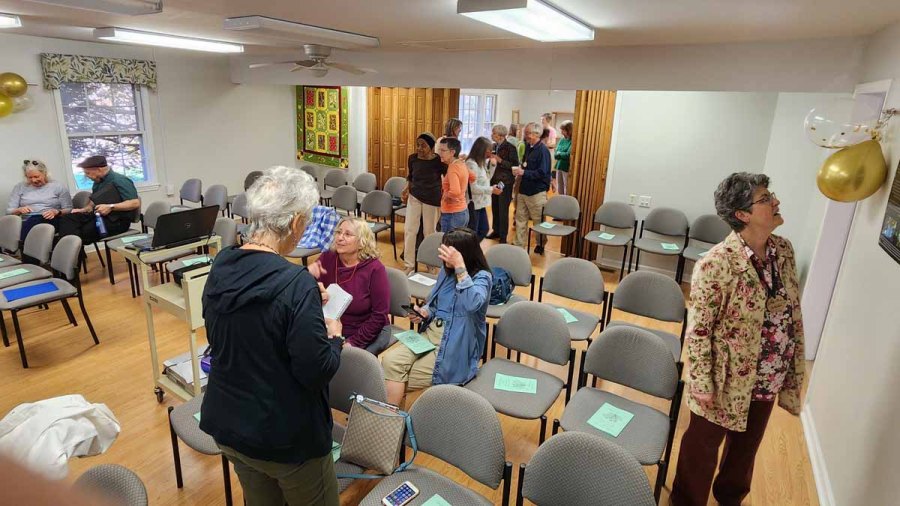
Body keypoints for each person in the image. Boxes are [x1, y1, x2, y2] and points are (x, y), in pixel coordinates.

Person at [200, 166, 343, 506]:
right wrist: (334, 338)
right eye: (306, 222)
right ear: (296, 222)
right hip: (283, 437)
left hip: (229, 424)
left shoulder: (222, 264)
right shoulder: (296, 284)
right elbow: (316, 370)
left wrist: (304, 300)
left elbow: (233, 332)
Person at [671, 172, 805, 506]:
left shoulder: (784, 251)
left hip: (768, 374)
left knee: (745, 449)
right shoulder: (716, 264)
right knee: (701, 448)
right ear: (742, 214)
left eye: (771, 195)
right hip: (724, 378)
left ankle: (730, 499)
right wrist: (701, 382)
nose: (775, 201)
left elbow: (790, 309)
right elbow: (699, 330)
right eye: (765, 199)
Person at [381, 227, 491, 406]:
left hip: (454, 344)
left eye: (448, 252)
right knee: (390, 362)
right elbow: (435, 304)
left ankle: (389, 418)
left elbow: (472, 303)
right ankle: (393, 417)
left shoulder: (482, 278)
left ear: (463, 255)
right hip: (429, 335)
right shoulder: (445, 273)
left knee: (394, 378)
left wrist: (460, 268)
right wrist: (425, 312)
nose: (442, 256)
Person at [308, 217, 390, 350]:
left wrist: (352, 342)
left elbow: (379, 316)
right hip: (330, 325)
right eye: (338, 232)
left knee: (345, 359)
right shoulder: (328, 257)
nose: (340, 238)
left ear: (362, 242)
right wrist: (313, 284)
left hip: (367, 330)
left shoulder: (375, 269)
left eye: (347, 234)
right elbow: (307, 286)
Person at [59, 156, 140, 243]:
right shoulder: (98, 181)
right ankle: (70, 249)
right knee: (68, 219)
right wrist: (84, 209)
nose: (86, 176)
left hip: (117, 221)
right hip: (99, 215)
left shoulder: (120, 180)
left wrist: (111, 207)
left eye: (88, 173)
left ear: (99, 170)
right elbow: (94, 201)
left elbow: (135, 203)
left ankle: (73, 249)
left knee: (83, 231)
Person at [403, 132, 445, 272]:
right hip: (414, 196)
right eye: (418, 145)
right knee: (410, 230)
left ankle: (431, 263)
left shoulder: (438, 161)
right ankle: (409, 264)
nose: (419, 148)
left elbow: (448, 176)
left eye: (423, 146)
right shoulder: (412, 158)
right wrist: (406, 188)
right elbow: (411, 176)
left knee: (429, 232)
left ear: (431, 147)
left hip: (431, 199)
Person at [7, 160, 72, 240]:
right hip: (26, 220)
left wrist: (56, 212)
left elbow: (68, 209)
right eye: (30, 177)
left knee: (36, 220)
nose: (33, 180)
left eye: (36, 176)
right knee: (10, 224)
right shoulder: (19, 187)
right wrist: (19, 210)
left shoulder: (58, 186)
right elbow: (9, 211)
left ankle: (21, 243)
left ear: (45, 173)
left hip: (50, 219)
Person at [512, 122, 552, 254]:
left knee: (538, 221)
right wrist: (520, 170)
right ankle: (519, 246)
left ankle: (541, 244)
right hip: (523, 189)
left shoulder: (543, 151)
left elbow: (542, 172)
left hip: (536, 191)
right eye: (526, 133)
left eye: (528, 133)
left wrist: (524, 172)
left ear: (537, 134)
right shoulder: (528, 147)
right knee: (520, 219)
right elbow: (525, 165)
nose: (526, 136)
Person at [487, 125, 519, 243]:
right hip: (494, 180)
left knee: (503, 209)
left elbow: (514, 165)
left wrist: (500, 160)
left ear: (500, 136)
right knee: (495, 207)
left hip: (505, 182)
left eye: (494, 133)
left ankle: (503, 235)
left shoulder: (511, 148)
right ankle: (496, 230)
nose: (491, 135)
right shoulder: (494, 146)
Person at [438, 138, 472, 232]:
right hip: (462, 211)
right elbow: (473, 177)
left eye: (443, 150)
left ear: (452, 152)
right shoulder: (461, 163)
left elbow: (455, 192)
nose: (440, 153)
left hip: (452, 214)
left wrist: (445, 196)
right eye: (439, 150)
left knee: (447, 241)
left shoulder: (453, 168)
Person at [465, 136, 494, 241]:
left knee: (484, 229)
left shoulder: (481, 163)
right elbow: (473, 188)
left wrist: (493, 166)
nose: (490, 153)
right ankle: (470, 249)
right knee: (473, 232)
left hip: (481, 203)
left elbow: (487, 179)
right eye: (488, 150)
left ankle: (473, 249)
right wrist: (491, 190)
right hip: (473, 203)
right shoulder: (471, 164)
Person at [554, 121, 573, 196]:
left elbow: (568, 155)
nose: (561, 132)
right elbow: (556, 153)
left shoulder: (572, 141)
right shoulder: (562, 140)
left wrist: (559, 153)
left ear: (569, 130)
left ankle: (566, 201)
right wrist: (560, 153)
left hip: (566, 167)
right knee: (559, 186)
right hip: (559, 165)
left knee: (566, 187)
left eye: (563, 130)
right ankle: (560, 200)